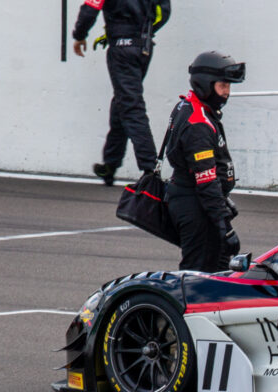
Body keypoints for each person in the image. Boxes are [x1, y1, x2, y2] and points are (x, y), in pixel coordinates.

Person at [72, 0, 171, 186]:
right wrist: (141, 33)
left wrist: (79, 35)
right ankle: (110, 164)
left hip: (122, 50)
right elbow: (163, 13)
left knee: (131, 106)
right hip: (143, 47)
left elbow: (90, 9)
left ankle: (150, 168)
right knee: (122, 102)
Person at [164, 51, 246, 272]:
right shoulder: (198, 123)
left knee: (220, 269)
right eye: (222, 86)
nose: (226, 93)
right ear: (205, 85)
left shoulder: (191, 107)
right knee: (197, 271)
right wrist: (224, 227)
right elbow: (207, 181)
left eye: (229, 87)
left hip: (197, 202)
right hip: (195, 205)